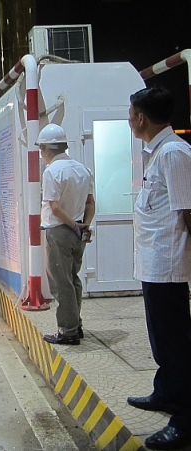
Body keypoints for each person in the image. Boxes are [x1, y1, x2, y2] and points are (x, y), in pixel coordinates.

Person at [125, 86, 191, 450]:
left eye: (129, 112)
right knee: (161, 342)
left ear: (141, 118)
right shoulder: (157, 152)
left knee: (175, 345)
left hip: (168, 264)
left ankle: (184, 420)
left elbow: (189, 210)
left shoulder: (175, 153)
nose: (128, 118)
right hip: (153, 264)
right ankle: (165, 392)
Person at [37, 124, 95, 346]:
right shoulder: (82, 169)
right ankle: (76, 324)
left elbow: (54, 207)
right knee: (73, 279)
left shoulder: (52, 171)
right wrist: (83, 225)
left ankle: (68, 330)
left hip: (60, 231)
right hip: (79, 230)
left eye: (42, 150)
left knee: (61, 282)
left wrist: (73, 226)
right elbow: (90, 203)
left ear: (47, 150)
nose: (42, 155)